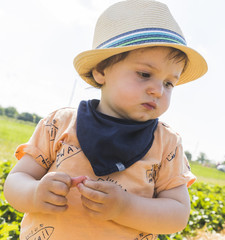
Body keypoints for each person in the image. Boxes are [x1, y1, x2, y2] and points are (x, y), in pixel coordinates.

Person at [4, 0, 207, 239]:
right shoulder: (60, 124)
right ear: (101, 71)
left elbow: (177, 215)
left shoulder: (167, 144)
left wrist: (125, 207)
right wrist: (35, 192)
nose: (158, 90)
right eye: (144, 74)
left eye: (169, 83)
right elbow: (16, 180)